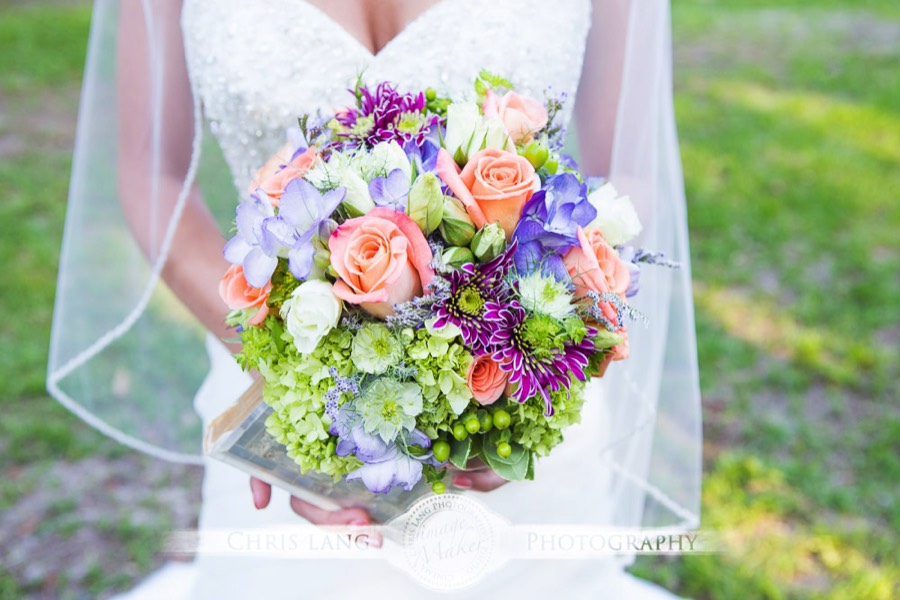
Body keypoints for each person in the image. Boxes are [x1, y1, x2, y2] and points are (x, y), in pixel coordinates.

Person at [48, 0, 702, 597]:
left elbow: (631, 170)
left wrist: (508, 384)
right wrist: (297, 382)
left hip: (514, 417)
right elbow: (150, 173)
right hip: (280, 403)